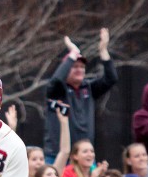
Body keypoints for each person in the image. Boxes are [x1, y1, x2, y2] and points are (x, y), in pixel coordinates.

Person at [44, 28, 118, 164]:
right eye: (74, 66)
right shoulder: (58, 90)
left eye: (82, 67)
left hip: (85, 157)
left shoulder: (88, 87)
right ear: (66, 68)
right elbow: (55, 81)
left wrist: (103, 50)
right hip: (58, 156)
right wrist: (73, 54)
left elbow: (111, 78)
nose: (79, 70)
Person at [25, 106, 71, 177]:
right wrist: (12, 128)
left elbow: (65, 152)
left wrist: (64, 122)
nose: (39, 162)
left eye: (41, 159)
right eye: (34, 159)